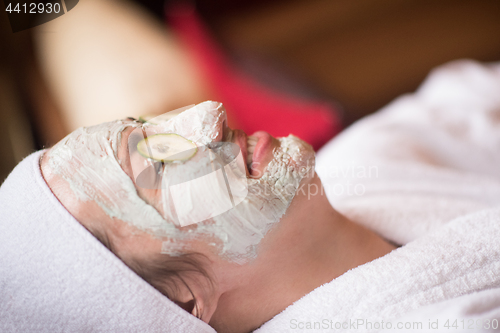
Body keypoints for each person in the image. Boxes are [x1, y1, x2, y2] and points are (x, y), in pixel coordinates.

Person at [2, 60, 500, 333]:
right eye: (156, 161)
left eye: (147, 125)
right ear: (184, 300)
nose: (208, 113)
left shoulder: (369, 160)